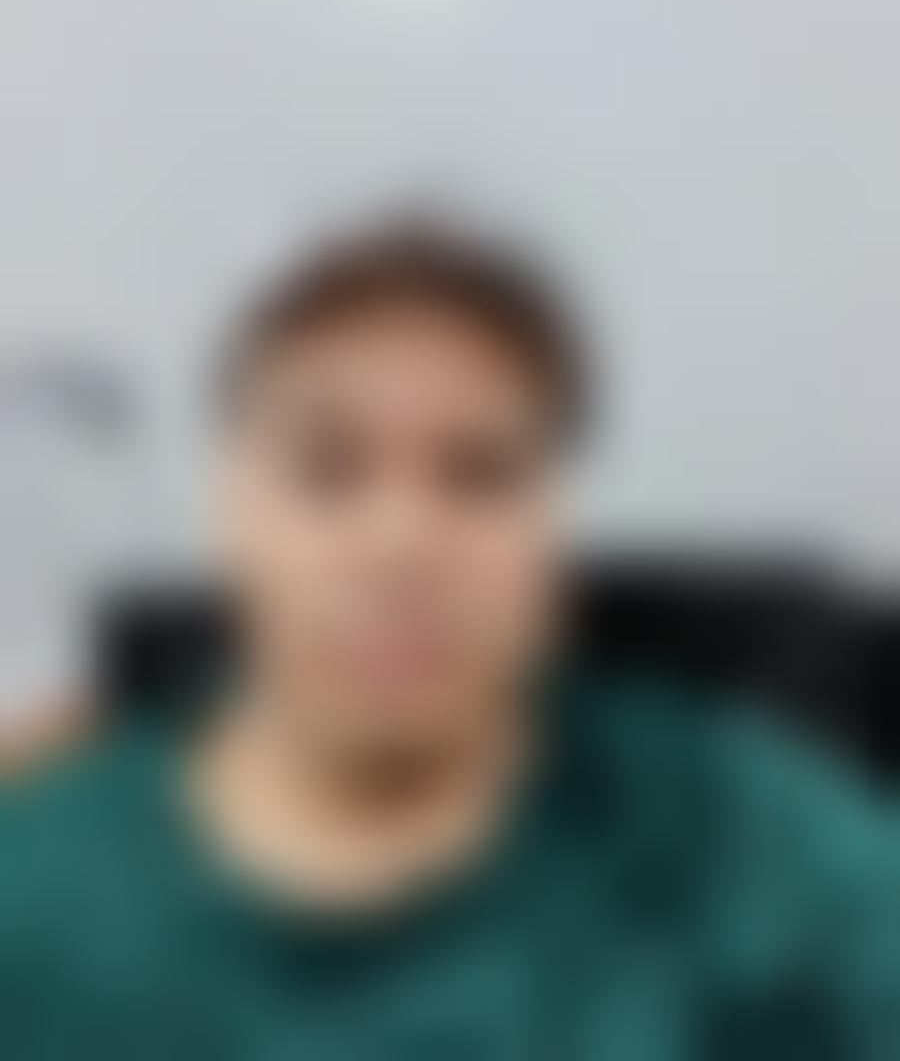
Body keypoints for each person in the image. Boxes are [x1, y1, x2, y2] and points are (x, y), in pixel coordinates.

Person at [1, 218, 897, 1059]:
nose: (403, 545)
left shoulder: (736, 832)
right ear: (231, 513)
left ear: (552, 528)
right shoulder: (42, 889)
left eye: (480, 474)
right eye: (328, 472)